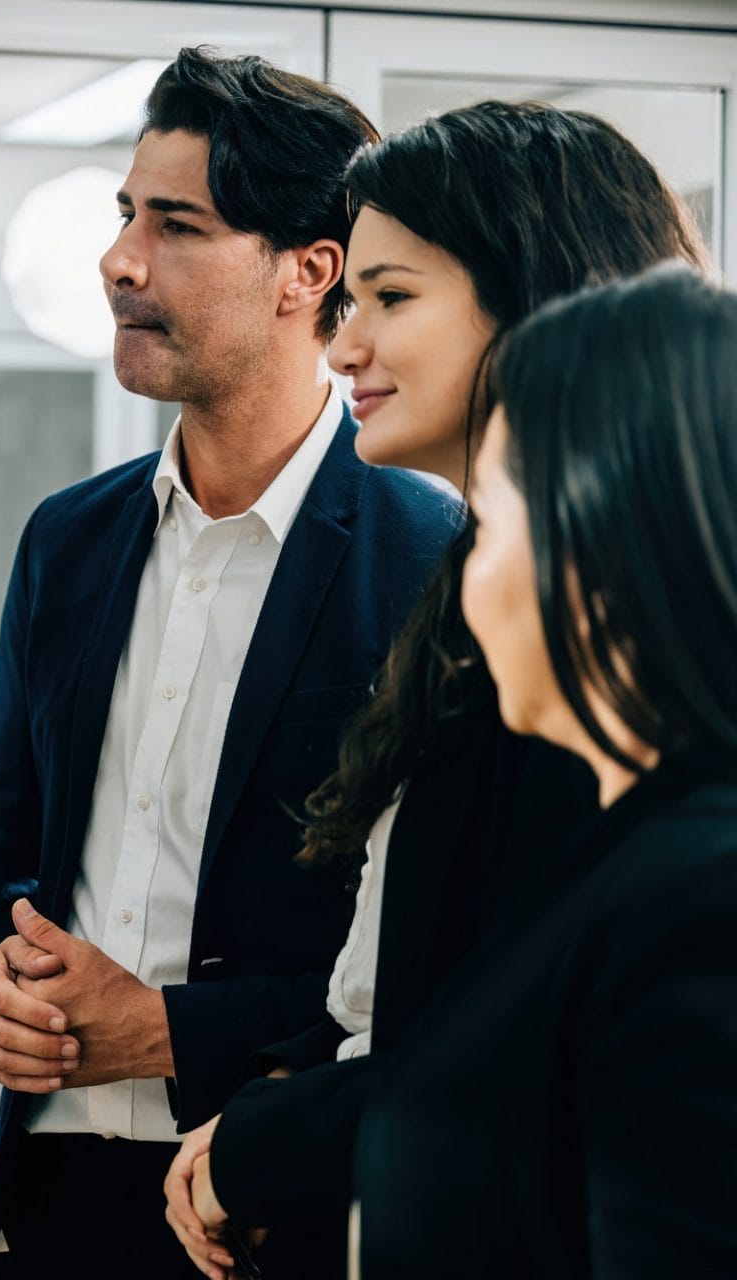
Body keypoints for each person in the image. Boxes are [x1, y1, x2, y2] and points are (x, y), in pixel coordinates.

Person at [160, 102, 712, 1280]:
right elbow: (402, 983)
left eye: (390, 299)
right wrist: (286, 1081)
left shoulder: (613, 673)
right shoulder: (464, 593)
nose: (342, 345)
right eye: (347, 300)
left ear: (541, 295)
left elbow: (515, 1048)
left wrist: (269, 1139)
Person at [0, 48, 458, 1278]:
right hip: (50, 1198)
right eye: (128, 215)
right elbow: (1, 832)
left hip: (264, 1209)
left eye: (176, 224)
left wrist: (170, 1030)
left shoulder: (433, 556)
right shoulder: (67, 539)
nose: (120, 258)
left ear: (307, 272)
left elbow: (428, 969)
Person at [356, 265, 737, 1276]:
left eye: (491, 514)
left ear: (600, 537)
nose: (468, 574)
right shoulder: (631, 855)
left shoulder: (699, 898)